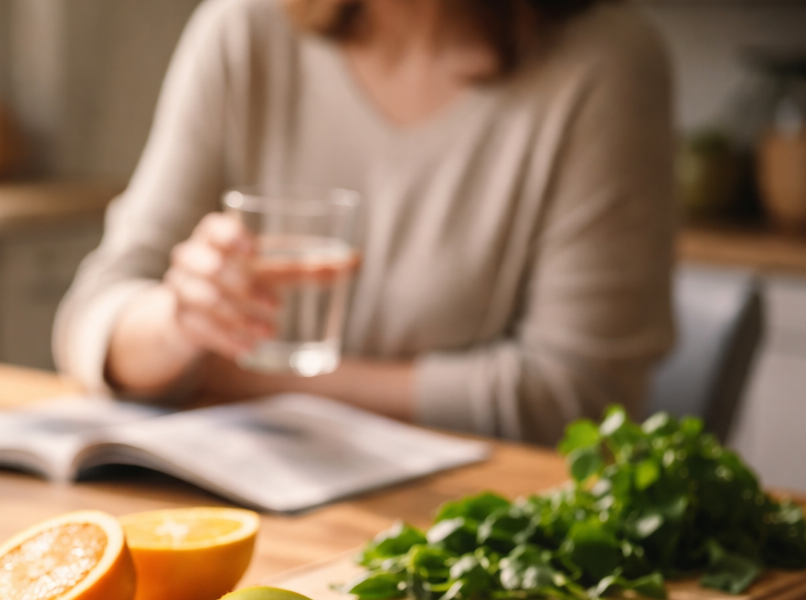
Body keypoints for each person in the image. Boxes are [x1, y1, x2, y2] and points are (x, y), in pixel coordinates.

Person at [54, 0, 675, 445]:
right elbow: (92, 318)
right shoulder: (244, 29)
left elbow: (571, 398)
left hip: (459, 529)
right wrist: (178, 323)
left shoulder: (606, 61)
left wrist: (228, 374)